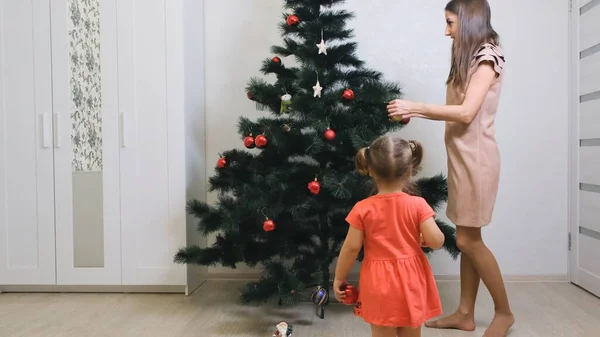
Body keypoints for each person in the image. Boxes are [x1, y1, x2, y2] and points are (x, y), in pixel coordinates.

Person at [386, 1, 514, 337]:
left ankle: (504, 312)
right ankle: (465, 314)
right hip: (461, 158)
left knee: (469, 240)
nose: (446, 31)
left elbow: (466, 112)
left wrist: (416, 106)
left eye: (450, 23)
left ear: (468, 21)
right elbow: (457, 109)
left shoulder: (488, 57)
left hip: (477, 162)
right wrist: (420, 113)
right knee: (467, 236)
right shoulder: (469, 56)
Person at [333, 135, 446, 337]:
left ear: (370, 170)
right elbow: (437, 241)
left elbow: (351, 248)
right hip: (412, 279)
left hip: (379, 282)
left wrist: (339, 279)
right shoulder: (418, 204)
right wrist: (424, 238)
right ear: (410, 169)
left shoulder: (362, 209)